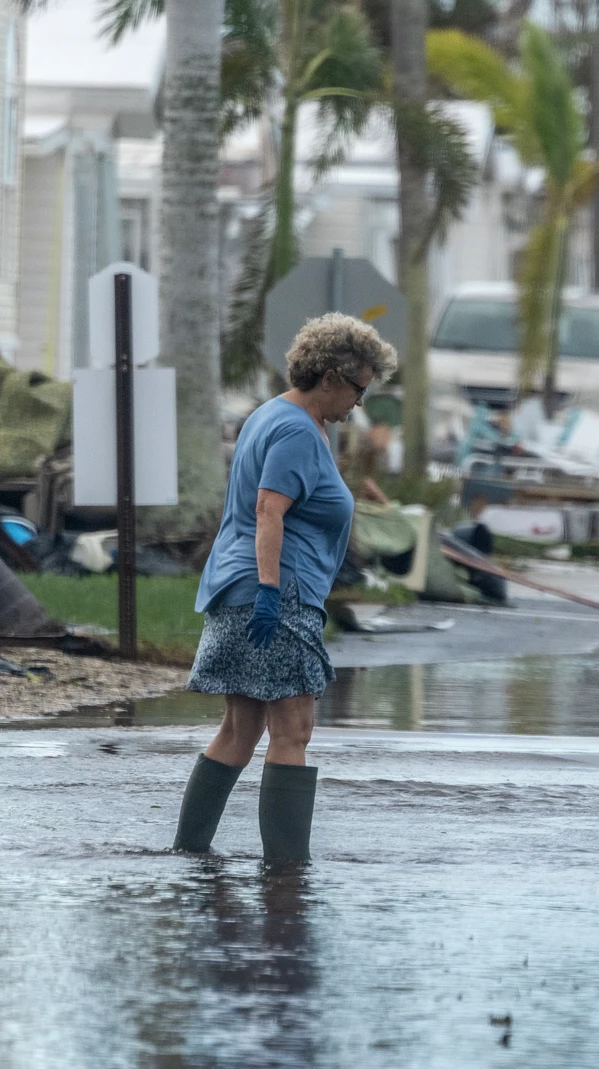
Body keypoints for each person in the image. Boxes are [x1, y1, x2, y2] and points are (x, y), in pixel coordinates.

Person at [172, 312, 397, 862]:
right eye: (358, 391)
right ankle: (286, 875)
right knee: (293, 728)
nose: (358, 405)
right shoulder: (298, 430)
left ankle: (189, 853)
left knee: (240, 728)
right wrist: (272, 593)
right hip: (275, 592)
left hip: (240, 585)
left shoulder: (273, 414)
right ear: (330, 377)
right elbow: (269, 510)